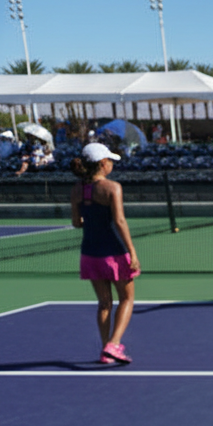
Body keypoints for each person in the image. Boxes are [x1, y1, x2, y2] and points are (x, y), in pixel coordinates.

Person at [69, 142, 140, 365]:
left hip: (90, 254)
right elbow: (119, 221)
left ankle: (104, 351)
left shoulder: (76, 190)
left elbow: (76, 222)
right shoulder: (112, 188)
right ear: (102, 164)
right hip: (115, 253)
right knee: (127, 298)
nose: (111, 164)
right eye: (109, 160)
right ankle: (114, 344)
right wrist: (133, 252)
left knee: (104, 303)